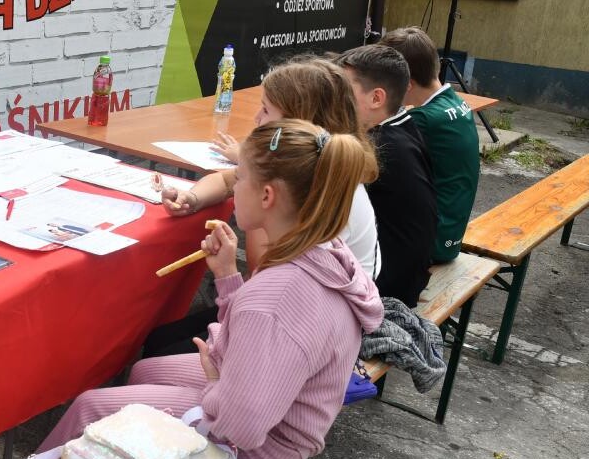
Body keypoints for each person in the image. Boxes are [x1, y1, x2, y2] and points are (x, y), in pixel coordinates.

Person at [25, 120, 383, 459]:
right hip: (280, 403)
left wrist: (215, 386)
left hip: (271, 440)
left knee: (90, 408)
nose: (234, 185)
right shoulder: (323, 249)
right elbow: (260, 337)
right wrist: (228, 277)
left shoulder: (277, 293)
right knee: (147, 369)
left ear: (267, 196)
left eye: (239, 177)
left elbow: (240, 426)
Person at [164, 57, 381, 278]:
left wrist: (256, 213)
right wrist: (193, 198)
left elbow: (265, 272)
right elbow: (225, 180)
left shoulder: (330, 195)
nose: (256, 118)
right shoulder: (299, 165)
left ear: (298, 122)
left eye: (266, 110)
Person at [334, 44, 438, 307]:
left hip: (385, 291)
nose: (334, 98)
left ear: (377, 98)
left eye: (343, 91)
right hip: (408, 274)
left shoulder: (378, 147)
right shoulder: (403, 125)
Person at [380, 26, 481, 263]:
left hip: (432, 242)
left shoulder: (423, 120)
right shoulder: (456, 102)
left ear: (406, 84)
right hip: (451, 232)